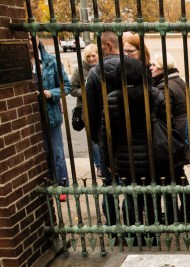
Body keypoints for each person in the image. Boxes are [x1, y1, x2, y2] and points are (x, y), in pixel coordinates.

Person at [103, 58, 166, 236]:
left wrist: (109, 161)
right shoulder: (154, 94)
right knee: (152, 196)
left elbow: (107, 135)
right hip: (152, 157)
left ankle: (133, 234)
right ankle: (153, 235)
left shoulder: (112, 99)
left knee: (131, 197)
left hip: (125, 159)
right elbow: (165, 124)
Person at [151, 52, 190, 224]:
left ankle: (171, 216)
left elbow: (164, 115)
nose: (151, 68)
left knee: (167, 177)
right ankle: (188, 212)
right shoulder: (178, 80)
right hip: (181, 134)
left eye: (154, 65)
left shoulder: (164, 86)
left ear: (162, 67)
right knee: (178, 174)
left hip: (171, 137)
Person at [85, 31, 123, 225]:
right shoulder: (133, 66)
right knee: (134, 183)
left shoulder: (94, 73)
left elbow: (90, 111)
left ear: (108, 45)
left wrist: (96, 137)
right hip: (132, 137)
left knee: (109, 183)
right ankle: (135, 226)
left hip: (105, 136)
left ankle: (113, 224)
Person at [34, 38, 71, 202]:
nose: (28, 41)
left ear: (37, 38)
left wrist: (51, 93)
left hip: (51, 116)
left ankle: (62, 187)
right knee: (42, 155)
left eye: (31, 37)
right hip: (31, 119)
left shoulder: (51, 61)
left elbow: (66, 86)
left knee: (57, 154)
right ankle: (48, 187)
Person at [70, 43, 103, 178]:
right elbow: (71, 89)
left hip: (101, 108)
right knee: (93, 139)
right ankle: (99, 166)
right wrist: (85, 92)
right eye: (88, 56)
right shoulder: (79, 70)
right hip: (87, 109)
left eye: (93, 55)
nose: (91, 59)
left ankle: (107, 163)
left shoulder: (103, 67)